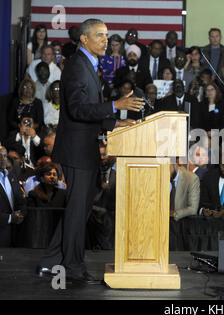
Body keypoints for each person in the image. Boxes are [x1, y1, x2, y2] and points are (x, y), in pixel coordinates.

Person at [36, 19, 145, 284]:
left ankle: (50, 262)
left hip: (84, 150)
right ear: (84, 40)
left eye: (107, 36)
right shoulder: (76, 66)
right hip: (76, 151)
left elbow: (89, 113)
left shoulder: (88, 65)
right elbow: (77, 109)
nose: (105, 40)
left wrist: (118, 122)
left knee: (79, 210)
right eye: (99, 35)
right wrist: (114, 105)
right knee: (77, 210)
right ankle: (71, 268)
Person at [23, 162, 66, 249]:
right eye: (49, 174)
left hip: (58, 233)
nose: (52, 177)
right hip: (40, 235)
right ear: (41, 178)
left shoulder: (62, 194)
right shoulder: (33, 194)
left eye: (55, 174)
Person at [199, 148, 224, 218]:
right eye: (222, 164)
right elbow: (202, 201)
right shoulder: (209, 176)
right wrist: (203, 210)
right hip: (210, 223)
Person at [0, 146, 26, 247]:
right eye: (0, 156)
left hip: (15, 233)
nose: (3, 159)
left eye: (5, 156)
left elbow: (22, 201)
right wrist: (10, 218)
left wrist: (21, 214)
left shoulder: (12, 177)